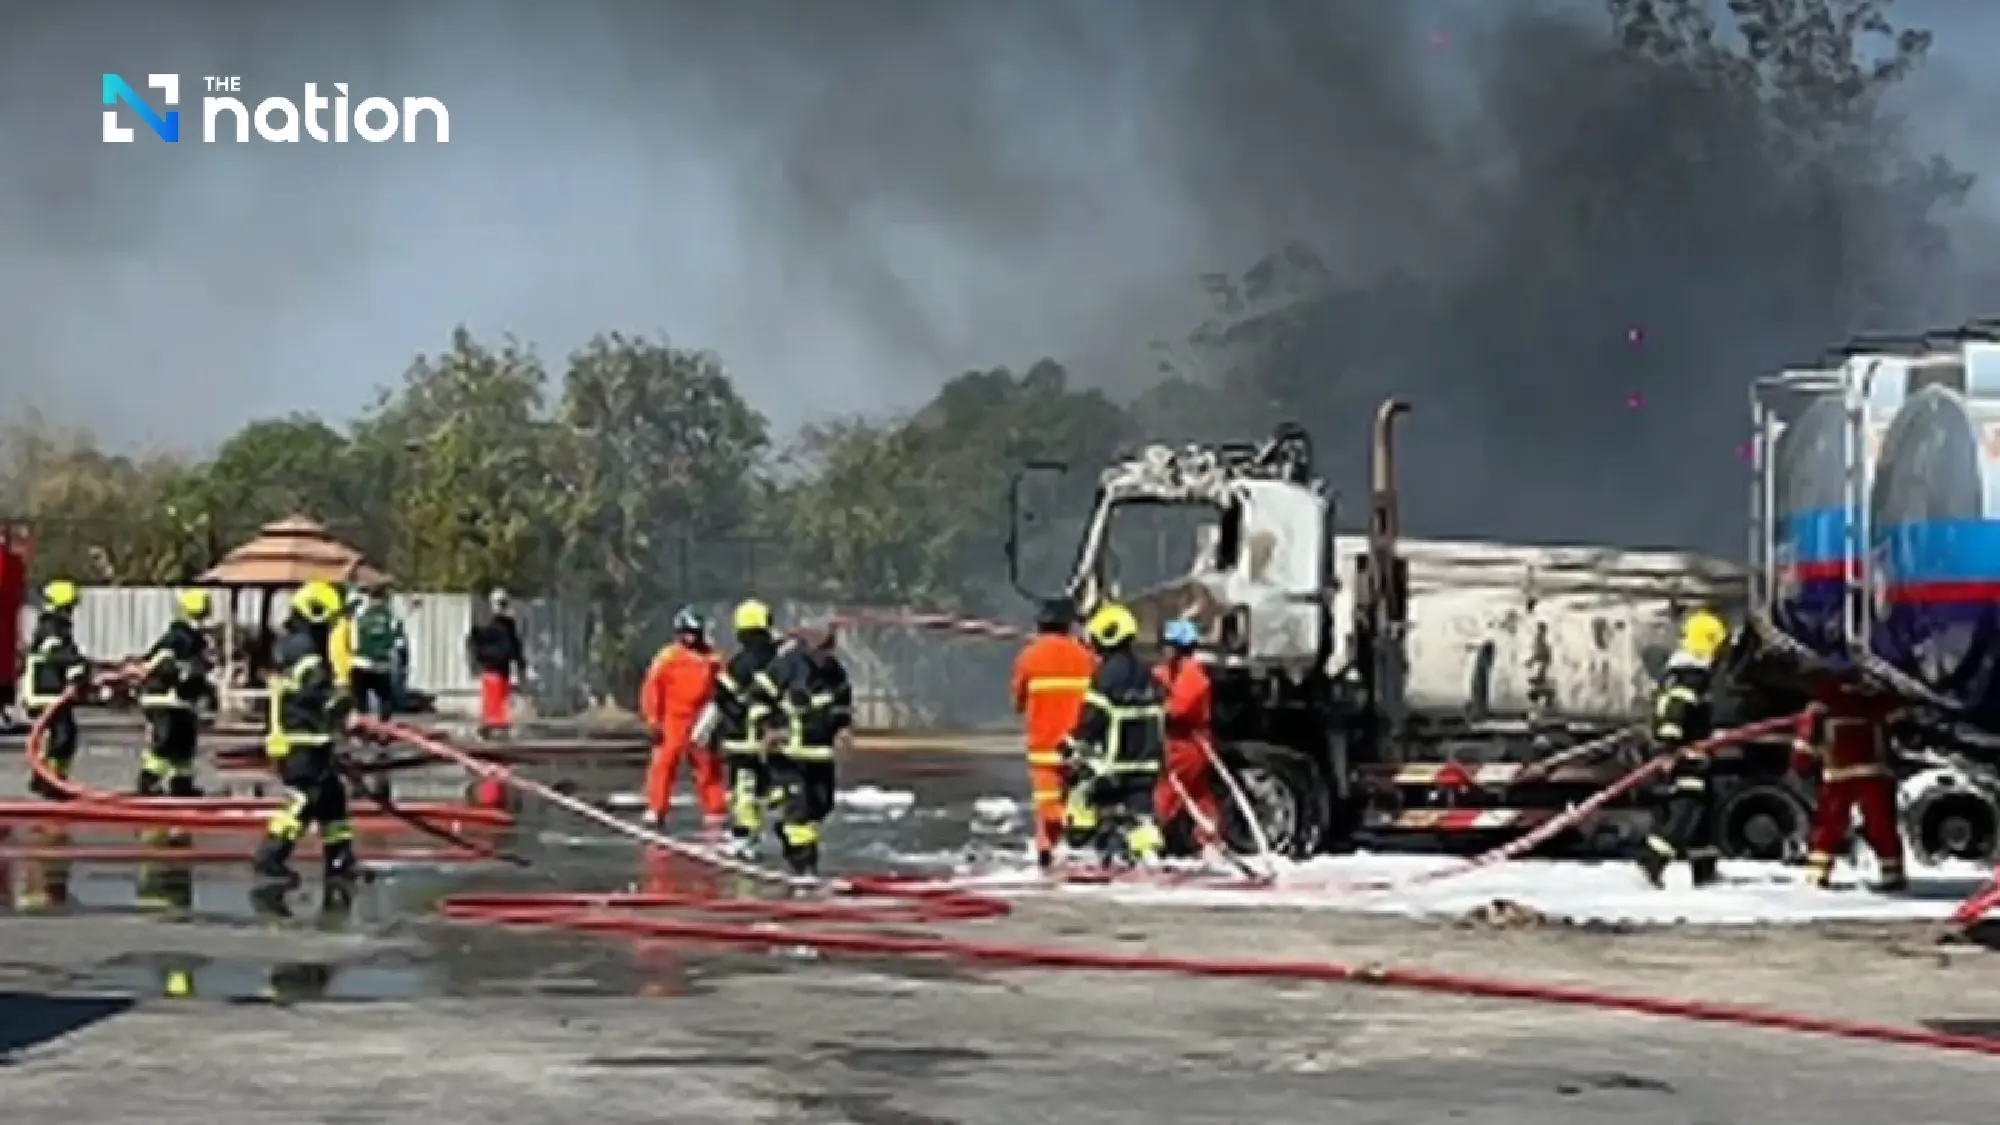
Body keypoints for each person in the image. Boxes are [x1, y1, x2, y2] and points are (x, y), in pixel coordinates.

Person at [250, 581, 358, 895]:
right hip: (299, 738)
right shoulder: (303, 648)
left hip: (311, 736)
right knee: (305, 798)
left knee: (332, 798)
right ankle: (271, 856)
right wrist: (340, 703)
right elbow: (314, 690)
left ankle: (340, 859)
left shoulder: (298, 643)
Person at [1060, 603, 1167, 868]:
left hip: (1113, 763)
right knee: (1140, 814)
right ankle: (1149, 856)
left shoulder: (1107, 675)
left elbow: (1093, 718)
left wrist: (1072, 744)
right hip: (1147, 763)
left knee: (1081, 797)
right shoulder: (1147, 672)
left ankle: (1081, 849)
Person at [1636, 608, 1729, 889]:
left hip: (1695, 754)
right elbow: (1674, 712)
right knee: (1687, 810)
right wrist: (1672, 747)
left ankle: (1705, 868)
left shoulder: (1682, 671)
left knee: (1705, 810)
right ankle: (1653, 858)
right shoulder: (1691, 675)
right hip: (1686, 755)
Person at [1795, 682, 1908, 893]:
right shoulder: (1877, 696)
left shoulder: (1825, 699)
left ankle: (1818, 874)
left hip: (1839, 773)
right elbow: (1900, 718)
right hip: (1872, 772)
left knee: (1830, 825)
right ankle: (1893, 873)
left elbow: (1807, 735)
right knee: (1880, 823)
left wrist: (1802, 761)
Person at [1008, 597, 1096, 869]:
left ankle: (1047, 854)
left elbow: (1017, 702)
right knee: (1078, 803)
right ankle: (1071, 848)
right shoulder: (1087, 657)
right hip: (1079, 748)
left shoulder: (1028, 656)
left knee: (1047, 809)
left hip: (1044, 749)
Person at [765, 626, 853, 876]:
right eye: (821, 648)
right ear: (808, 645)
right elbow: (758, 699)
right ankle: (804, 867)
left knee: (822, 806)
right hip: (788, 755)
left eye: (830, 648)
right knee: (799, 810)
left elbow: (843, 704)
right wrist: (770, 728)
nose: (826, 654)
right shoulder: (787, 666)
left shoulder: (834, 672)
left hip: (819, 753)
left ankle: (792, 839)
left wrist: (843, 729)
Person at [639, 607, 726, 829]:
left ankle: (715, 811)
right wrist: (652, 719)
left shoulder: (713, 658)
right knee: (664, 764)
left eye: (695, 633)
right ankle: (656, 809)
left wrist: (719, 717)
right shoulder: (668, 657)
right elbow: (652, 689)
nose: (691, 637)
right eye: (687, 632)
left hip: (702, 719)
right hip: (673, 720)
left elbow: (725, 686)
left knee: (708, 766)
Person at [710, 599, 784, 856]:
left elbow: (721, 696)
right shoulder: (778, 659)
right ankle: (780, 817)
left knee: (743, 789)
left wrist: (718, 733)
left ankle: (745, 836)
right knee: (769, 784)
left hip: (742, 739)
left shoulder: (738, 664)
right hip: (775, 739)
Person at [135, 589, 215, 797]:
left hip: (181, 701)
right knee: (166, 741)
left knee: (184, 744)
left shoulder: (194, 640)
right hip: (165, 699)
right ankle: (148, 781)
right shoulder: (177, 637)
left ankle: (182, 784)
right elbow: (160, 660)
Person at [1153, 617, 1221, 856]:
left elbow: (1177, 710)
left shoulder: (1192, 675)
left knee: (1168, 791)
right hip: (1180, 743)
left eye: (1168, 645)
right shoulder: (1171, 671)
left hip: (1187, 744)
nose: (1164, 650)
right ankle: (1208, 839)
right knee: (1198, 793)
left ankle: (1152, 839)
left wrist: (1157, 706)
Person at [19, 579, 89, 800]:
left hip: (54, 690)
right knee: (57, 736)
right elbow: (57, 654)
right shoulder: (51, 626)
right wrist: (79, 664)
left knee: (65, 736)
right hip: (44, 691)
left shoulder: (58, 625)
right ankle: (45, 779)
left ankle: (54, 778)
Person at [466, 588, 525, 738]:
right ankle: (491, 731)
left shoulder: (507, 627)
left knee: (499, 708)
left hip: (501, 673)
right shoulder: (490, 627)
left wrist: (520, 666)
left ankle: (495, 732)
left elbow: (515, 648)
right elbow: (474, 643)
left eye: (503, 603)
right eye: (500, 603)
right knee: (493, 709)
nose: (501, 607)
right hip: (493, 672)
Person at [346, 581, 407, 721]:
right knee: (385, 699)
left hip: (360, 662)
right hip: (382, 664)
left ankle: (361, 733)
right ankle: (384, 729)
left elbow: (350, 627)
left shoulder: (359, 612)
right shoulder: (390, 615)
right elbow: (399, 640)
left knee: (360, 701)